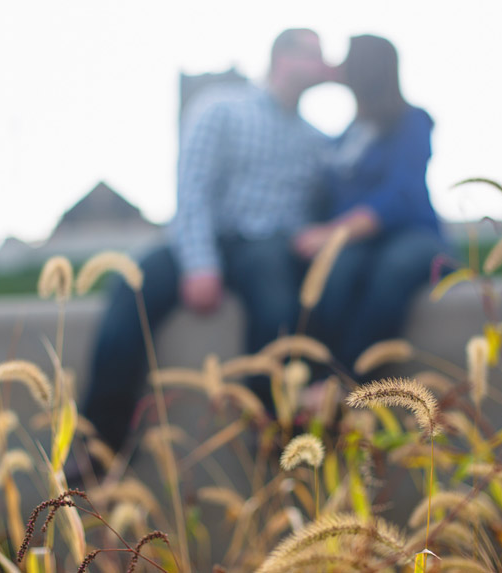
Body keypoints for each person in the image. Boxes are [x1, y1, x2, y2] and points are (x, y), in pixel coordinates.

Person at [81, 29, 331, 454]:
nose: (323, 65)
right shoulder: (221, 110)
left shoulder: (317, 141)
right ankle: (100, 444)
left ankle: (273, 433)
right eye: (313, 55)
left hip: (269, 251)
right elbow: (192, 191)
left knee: (276, 299)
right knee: (133, 285)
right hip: (208, 239)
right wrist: (200, 264)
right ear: (281, 59)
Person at [294, 34, 448, 370]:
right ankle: (319, 377)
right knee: (337, 274)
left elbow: (399, 196)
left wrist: (331, 233)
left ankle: (349, 382)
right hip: (360, 243)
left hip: (411, 237)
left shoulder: (411, 121)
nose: (337, 66)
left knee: (391, 271)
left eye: (346, 59)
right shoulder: (347, 135)